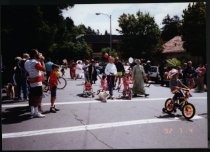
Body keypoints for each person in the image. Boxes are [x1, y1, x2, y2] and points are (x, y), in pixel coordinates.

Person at [24, 49, 46, 118]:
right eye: (37, 53)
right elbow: (43, 69)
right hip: (37, 82)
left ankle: (32, 112)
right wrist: (42, 61)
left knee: (32, 97)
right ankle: (36, 112)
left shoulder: (27, 62)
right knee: (38, 97)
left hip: (31, 81)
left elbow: (27, 70)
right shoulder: (35, 62)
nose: (38, 54)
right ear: (34, 54)